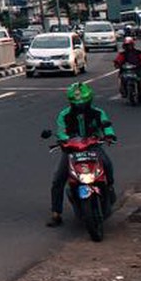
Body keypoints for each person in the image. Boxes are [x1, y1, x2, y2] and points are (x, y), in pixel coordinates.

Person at [48, 81, 116, 226]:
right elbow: (61, 131)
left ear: (89, 99)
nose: (80, 106)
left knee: (107, 164)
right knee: (58, 178)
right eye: (76, 103)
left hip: (93, 147)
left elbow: (106, 125)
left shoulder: (98, 112)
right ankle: (56, 213)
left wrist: (109, 135)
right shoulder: (64, 115)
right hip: (72, 150)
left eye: (83, 102)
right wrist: (64, 140)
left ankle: (109, 187)